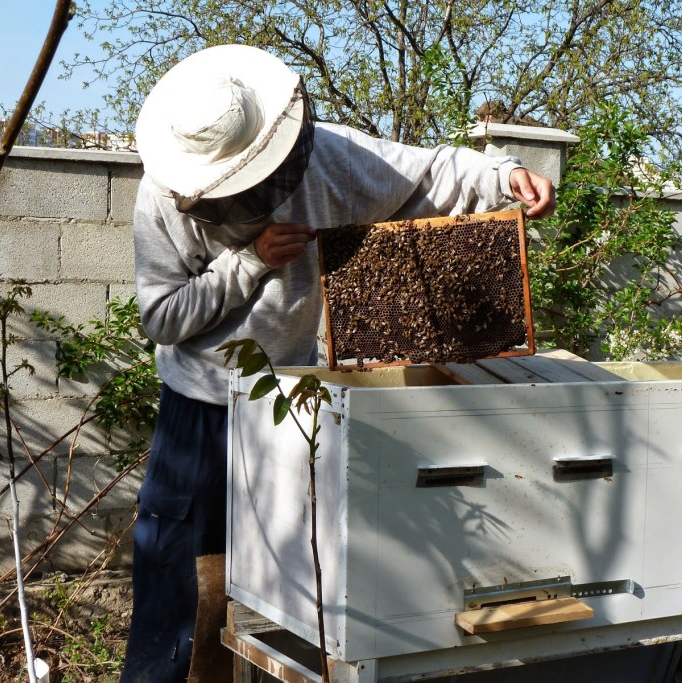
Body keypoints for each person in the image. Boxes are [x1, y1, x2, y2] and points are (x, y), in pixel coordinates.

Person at [121, 44, 555, 681]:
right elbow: (162, 317)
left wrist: (504, 175)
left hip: (294, 400)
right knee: (178, 573)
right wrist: (247, 264)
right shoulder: (163, 198)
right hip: (201, 407)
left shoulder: (332, 157)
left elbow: (432, 174)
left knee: (292, 584)